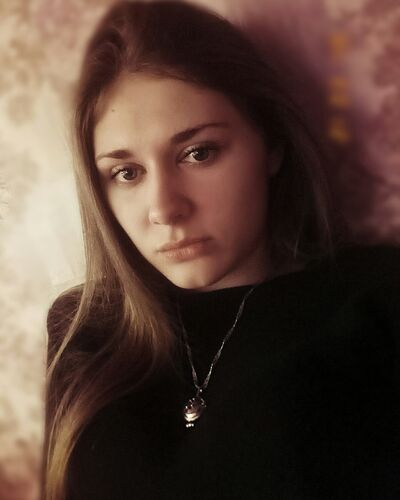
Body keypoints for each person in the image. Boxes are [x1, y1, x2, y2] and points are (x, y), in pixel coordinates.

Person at [42, 1, 400, 499]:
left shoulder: (377, 298)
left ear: (271, 146)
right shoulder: (84, 330)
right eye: (127, 173)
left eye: (199, 153)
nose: (165, 209)